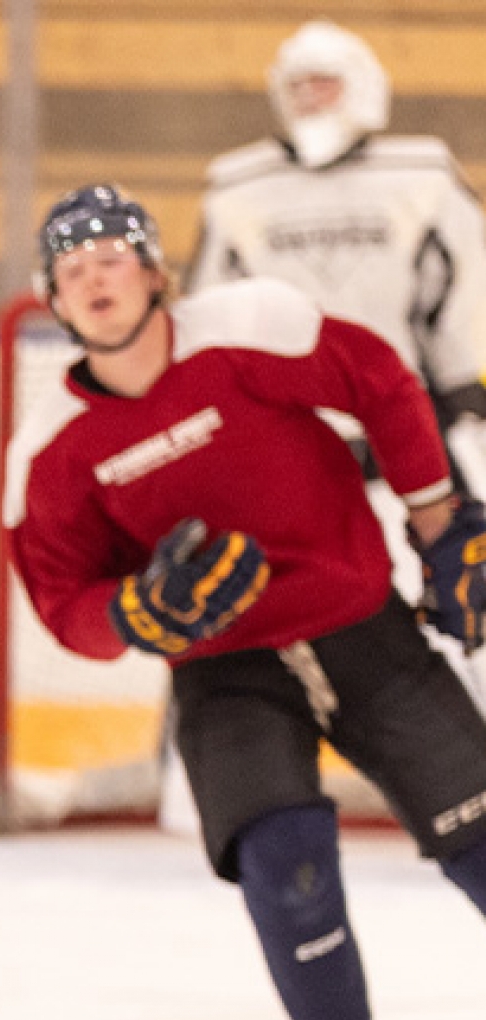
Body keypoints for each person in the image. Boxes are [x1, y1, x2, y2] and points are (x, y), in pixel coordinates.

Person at [4, 184, 486, 1020]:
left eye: (110, 257)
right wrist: (131, 613)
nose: (92, 278)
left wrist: (435, 515)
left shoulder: (250, 325)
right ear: (52, 300)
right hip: (224, 675)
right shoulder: (48, 451)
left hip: (362, 626)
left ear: (153, 271)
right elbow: (64, 604)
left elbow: (381, 379)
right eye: (69, 267)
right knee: (284, 862)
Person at [188, 18, 486, 713]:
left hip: (405, 413)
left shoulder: (423, 174)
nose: (312, 99)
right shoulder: (236, 188)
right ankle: (206, 746)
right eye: (298, 87)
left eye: (326, 83)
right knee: (232, 587)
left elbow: (469, 282)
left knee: (466, 573)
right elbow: (208, 312)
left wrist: (463, 385)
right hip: (287, 433)